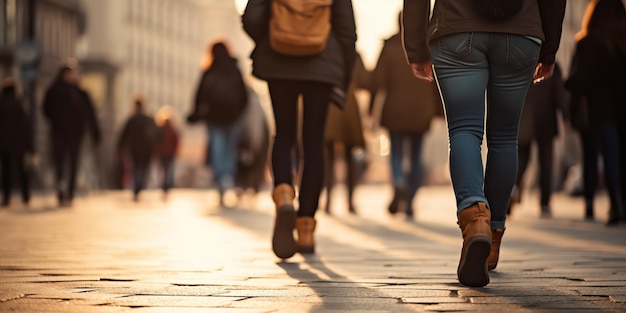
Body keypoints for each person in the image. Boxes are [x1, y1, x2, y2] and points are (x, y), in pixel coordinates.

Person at [403, 0, 566, 286]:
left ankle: (474, 216)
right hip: (521, 32)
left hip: (456, 26)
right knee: (505, 138)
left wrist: (415, 46)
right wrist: (550, 48)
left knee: (464, 129)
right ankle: (492, 233)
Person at [243, 0, 356, 259]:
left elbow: (251, 17)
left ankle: (283, 195)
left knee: (284, 134)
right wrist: (343, 73)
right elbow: (347, 31)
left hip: (278, 58)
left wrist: (271, 36)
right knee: (314, 144)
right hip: (322, 62)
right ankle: (306, 229)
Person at [371, 17, 442, 219]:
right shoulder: (430, 46)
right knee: (417, 156)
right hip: (422, 110)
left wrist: (371, 109)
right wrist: (439, 111)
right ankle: (410, 200)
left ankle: (400, 181)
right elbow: (438, 81)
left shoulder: (390, 46)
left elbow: (378, 80)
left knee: (396, 152)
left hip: (395, 109)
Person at [565, 0, 626, 225]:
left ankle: (616, 204)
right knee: (622, 156)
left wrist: (569, 85)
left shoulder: (587, 42)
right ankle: (622, 204)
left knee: (609, 155)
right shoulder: (623, 38)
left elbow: (580, 78)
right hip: (622, 106)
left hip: (601, 108)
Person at [188, 42, 248, 207]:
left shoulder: (210, 70)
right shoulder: (235, 69)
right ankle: (227, 177)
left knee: (218, 149)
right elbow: (244, 95)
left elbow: (199, 95)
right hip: (234, 118)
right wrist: (239, 113)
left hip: (214, 118)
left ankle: (221, 179)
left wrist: (196, 113)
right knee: (229, 150)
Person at [510, 63, 568, 218]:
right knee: (546, 161)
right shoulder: (551, 64)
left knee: (521, 159)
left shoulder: (524, 57)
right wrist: (566, 116)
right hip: (545, 117)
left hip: (525, 118)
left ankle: (513, 189)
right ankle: (545, 202)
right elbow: (559, 92)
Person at [43, 65, 101, 207]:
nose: (74, 76)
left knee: (73, 161)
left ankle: (70, 190)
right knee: (60, 161)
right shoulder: (55, 90)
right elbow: (46, 108)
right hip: (59, 131)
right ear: (64, 74)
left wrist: (95, 134)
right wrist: (55, 120)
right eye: (71, 73)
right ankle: (61, 187)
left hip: (75, 133)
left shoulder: (80, 92)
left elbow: (90, 115)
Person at [324, 53, 369, 215]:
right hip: (348, 107)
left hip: (328, 106)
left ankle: (328, 201)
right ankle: (350, 201)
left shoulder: (325, 51)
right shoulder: (354, 55)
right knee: (350, 158)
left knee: (327, 158)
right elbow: (365, 81)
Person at [118, 98, 160, 201]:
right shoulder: (149, 119)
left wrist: (121, 147)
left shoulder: (132, 119)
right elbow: (157, 134)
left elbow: (124, 134)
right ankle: (139, 186)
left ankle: (137, 188)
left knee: (136, 168)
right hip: (146, 149)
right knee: (143, 169)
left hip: (136, 148)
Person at [0, 78, 32, 207]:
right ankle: (25, 196)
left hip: (3, 142)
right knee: (21, 169)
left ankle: (6, 197)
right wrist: (30, 146)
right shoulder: (19, 104)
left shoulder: (1, 103)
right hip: (19, 143)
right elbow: (25, 126)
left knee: (5, 170)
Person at [155, 106, 180, 198]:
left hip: (162, 152)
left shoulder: (160, 128)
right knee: (168, 170)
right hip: (169, 153)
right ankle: (167, 185)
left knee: (162, 170)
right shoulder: (173, 129)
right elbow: (176, 141)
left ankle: (163, 184)